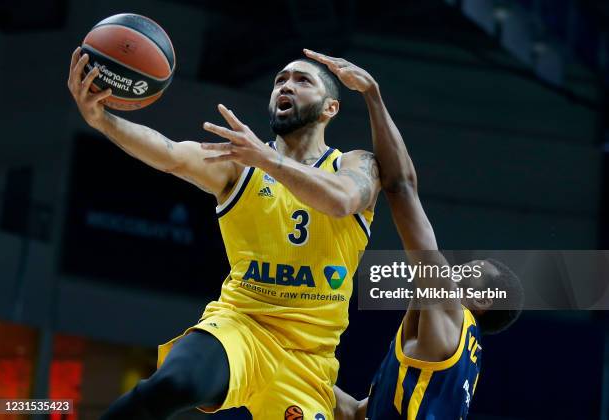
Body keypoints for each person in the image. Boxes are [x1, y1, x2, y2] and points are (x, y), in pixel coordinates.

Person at [67, 46, 381, 419]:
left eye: (302, 80)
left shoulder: (355, 163)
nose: (286, 86)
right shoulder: (241, 167)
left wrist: (269, 160)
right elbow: (169, 153)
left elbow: (342, 201)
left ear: (331, 108)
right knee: (173, 384)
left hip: (308, 359)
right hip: (242, 326)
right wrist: (102, 120)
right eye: (280, 80)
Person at [302, 52, 524, 420]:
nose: (458, 269)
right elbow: (363, 414)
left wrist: (372, 95)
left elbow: (401, 187)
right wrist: (293, 372)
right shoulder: (456, 352)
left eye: (471, 273)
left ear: (483, 299)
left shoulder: (451, 314)